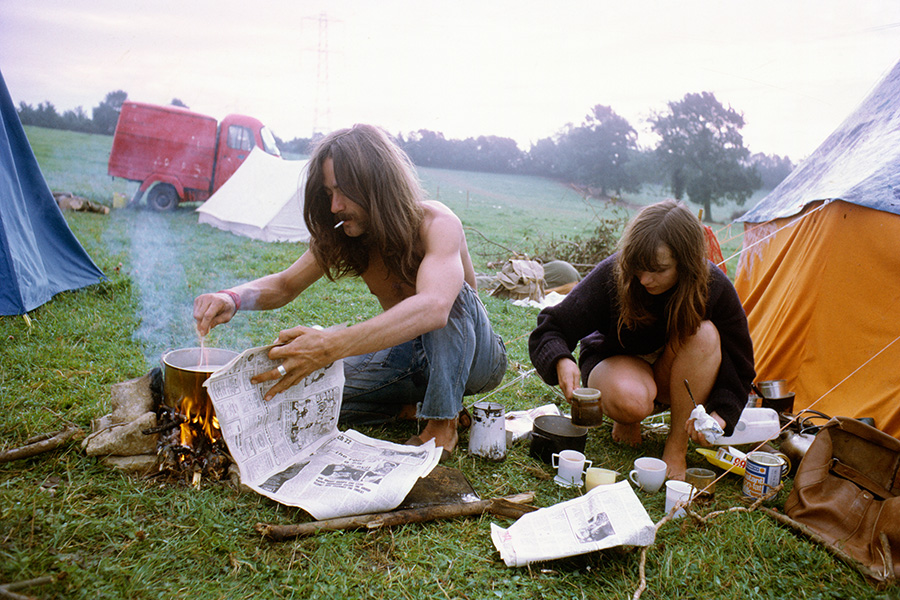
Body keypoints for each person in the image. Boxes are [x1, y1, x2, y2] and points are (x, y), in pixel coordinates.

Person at [193, 124, 507, 461]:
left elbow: (435, 308)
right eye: (328, 193)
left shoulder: (437, 223)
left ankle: (441, 424)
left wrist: (328, 345)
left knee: (449, 293)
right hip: (408, 358)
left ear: (377, 186)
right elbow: (285, 285)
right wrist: (233, 298)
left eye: (343, 191)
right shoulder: (345, 234)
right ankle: (405, 407)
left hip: (473, 360)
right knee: (306, 390)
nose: (334, 206)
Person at [528, 200, 755, 479]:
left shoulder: (713, 287)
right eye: (638, 266)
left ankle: (675, 446)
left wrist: (721, 414)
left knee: (706, 333)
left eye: (658, 269)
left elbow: (740, 362)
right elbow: (551, 326)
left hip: (673, 372)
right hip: (615, 365)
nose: (645, 279)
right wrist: (561, 360)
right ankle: (627, 416)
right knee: (631, 401)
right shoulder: (615, 274)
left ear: (686, 264)